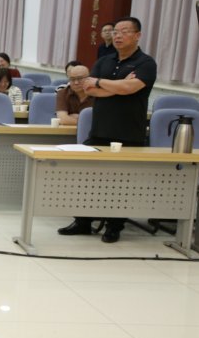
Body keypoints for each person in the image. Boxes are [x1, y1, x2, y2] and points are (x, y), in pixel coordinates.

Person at [58, 16, 157, 243]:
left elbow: (129, 87)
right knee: (85, 178)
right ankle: (83, 221)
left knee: (121, 183)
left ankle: (114, 226)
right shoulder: (105, 60)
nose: (118, 35)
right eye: (116, 32)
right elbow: (90, 89)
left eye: (124, 31)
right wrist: (118, 86)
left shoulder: (146, 63)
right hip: (99, 130)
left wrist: (102, 83)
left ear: (138, 35)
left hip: (129, 132)